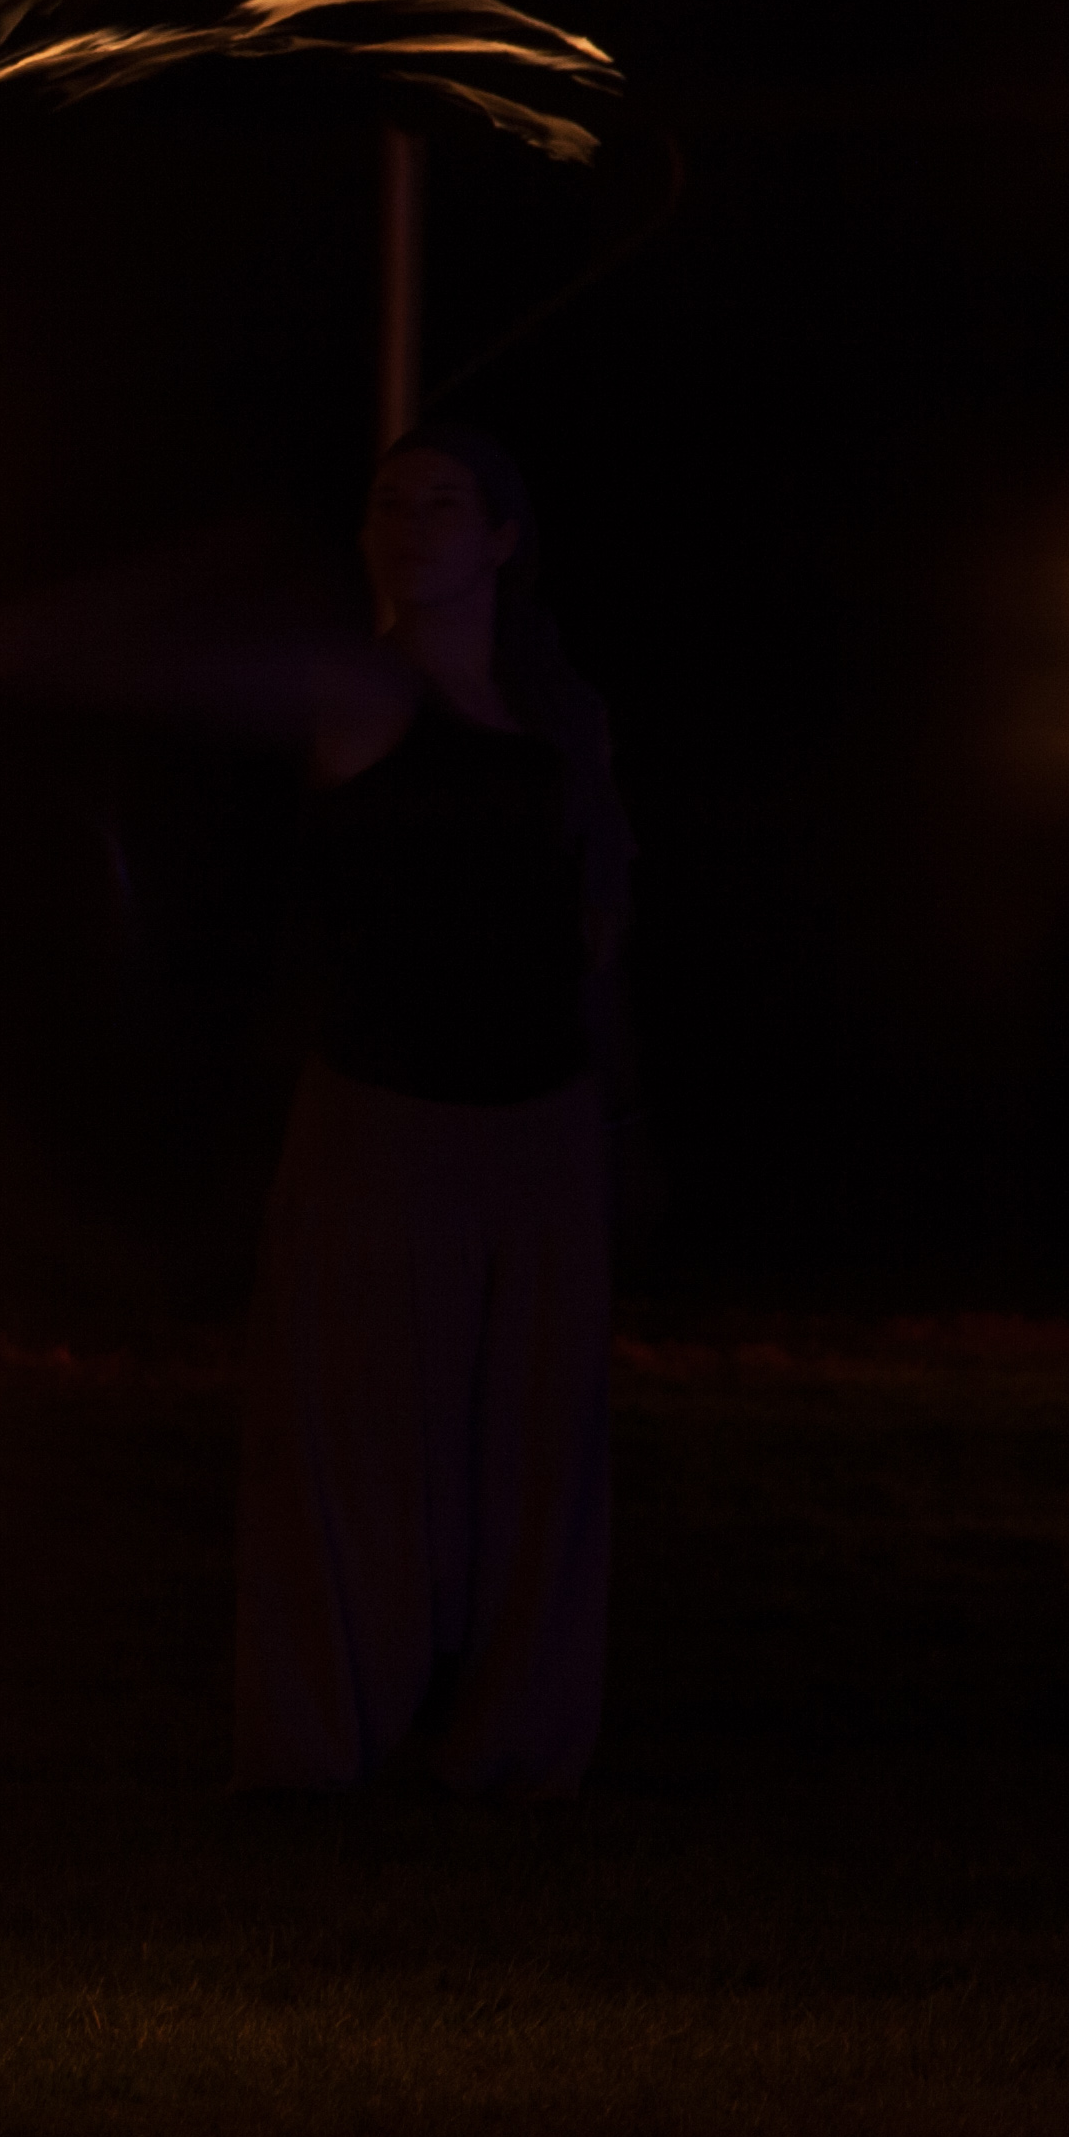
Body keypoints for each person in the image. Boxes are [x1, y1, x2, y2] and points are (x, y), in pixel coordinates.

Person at [238, 424, 632, 1796]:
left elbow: (598, 919)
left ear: (502, 540)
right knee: (358, 1436)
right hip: (381, 1113)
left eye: (443, 503)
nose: (410, 524)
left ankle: (509, 1740)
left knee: (530, 1441)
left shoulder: (559, 720)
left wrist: (604, 1101)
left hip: (537, 1123)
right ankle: (330, 1739)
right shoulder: (356, 690)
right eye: (389, 504)